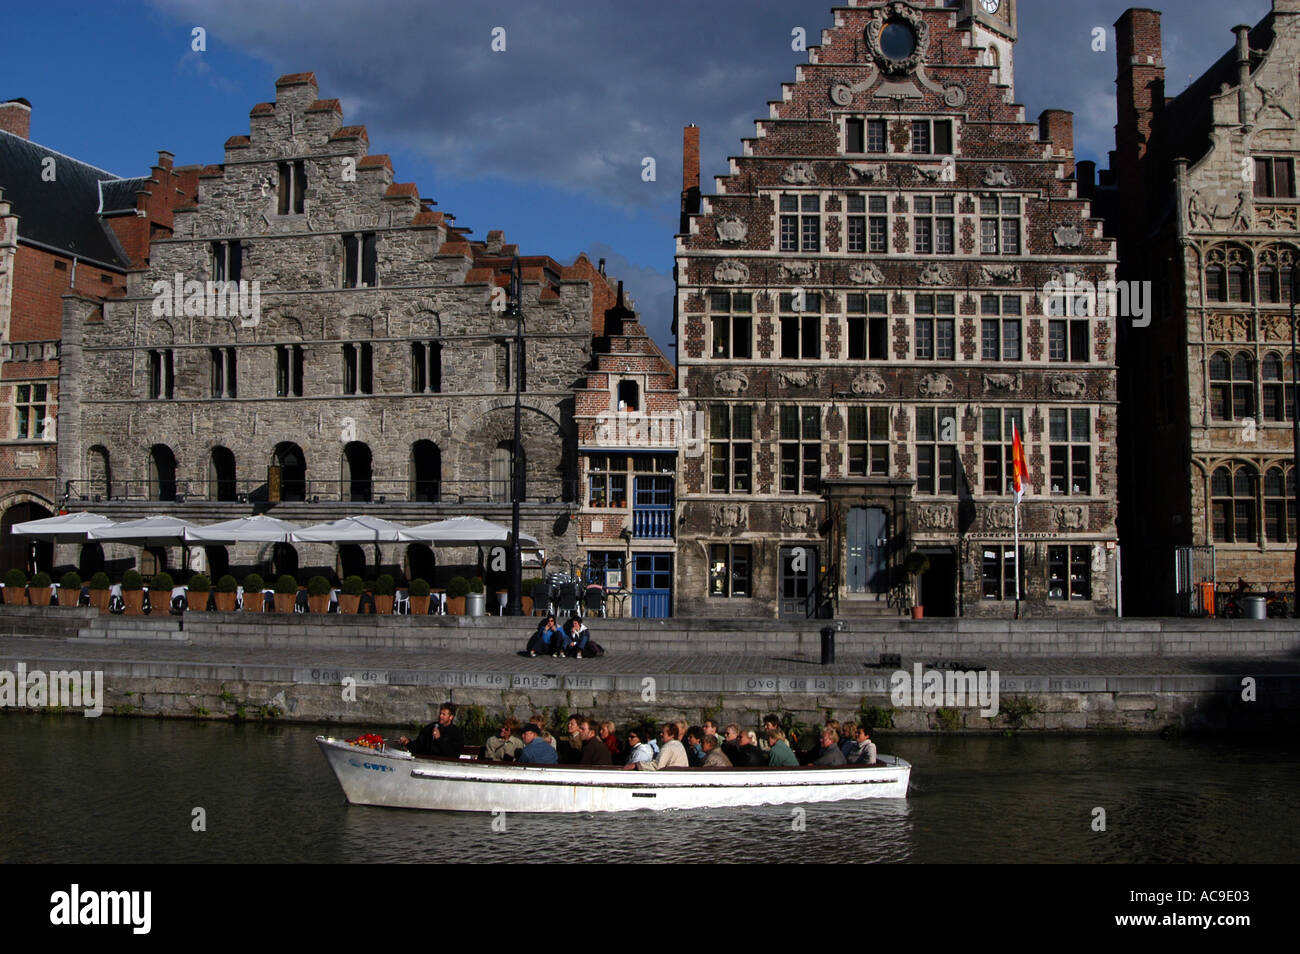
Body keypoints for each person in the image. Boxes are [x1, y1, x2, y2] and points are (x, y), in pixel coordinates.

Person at [399, 701, 465, 759]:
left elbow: (454, 755)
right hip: (426, 760)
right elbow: (419, 745)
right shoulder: (430, 727)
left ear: (451, 717)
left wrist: (439, 739)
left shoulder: (456, 733)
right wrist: (408, 742)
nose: (440, 716)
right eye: (440, 713)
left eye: (444, 714)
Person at [624, 722, 688, 771]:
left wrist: (637, 765)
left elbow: (657, 766)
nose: (661, 734)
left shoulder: (668, 746)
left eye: (663, 733)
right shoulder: (679, 745)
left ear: (672, 735)